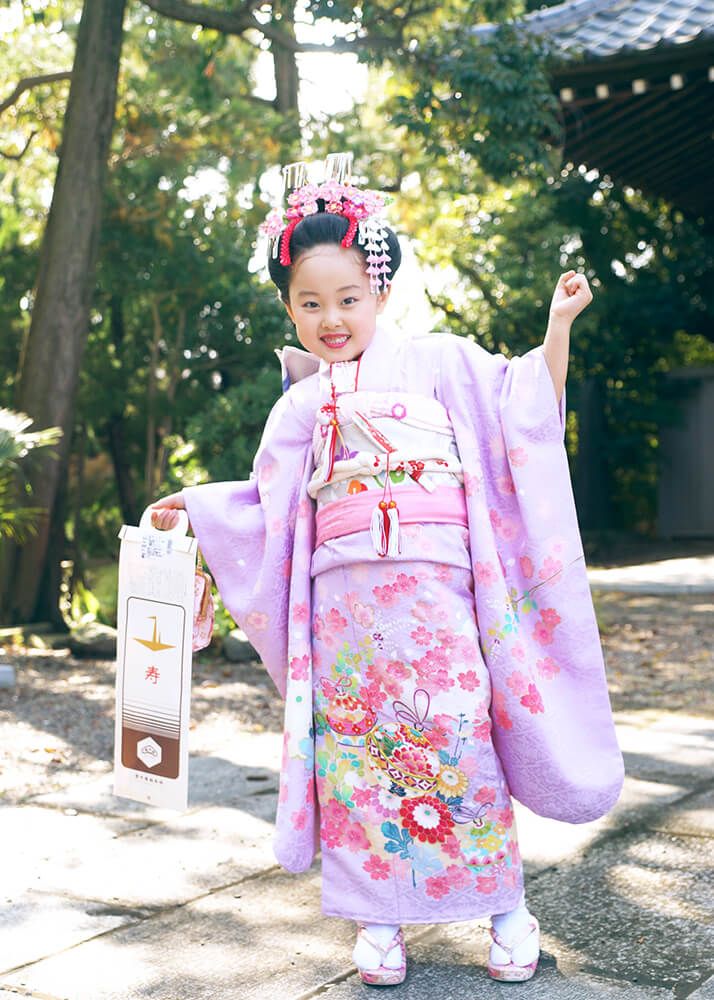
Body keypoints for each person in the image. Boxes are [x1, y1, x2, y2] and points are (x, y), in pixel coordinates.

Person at [150, 154, 623, 986]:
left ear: (379, 291)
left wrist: (558, 329)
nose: (332, 319)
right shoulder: (300, 405)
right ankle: (378, 925)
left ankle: (506, 910)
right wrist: (191, 508)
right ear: (288, 308)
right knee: (359, 761)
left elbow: (528, 415)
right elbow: (266, 507)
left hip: (438, 604)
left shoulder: (441, 364)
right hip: (347, 623)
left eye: (347, 300)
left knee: (461, 741)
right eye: (310, 304)